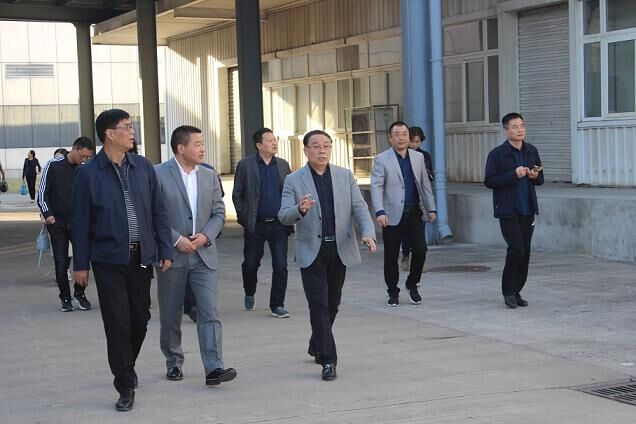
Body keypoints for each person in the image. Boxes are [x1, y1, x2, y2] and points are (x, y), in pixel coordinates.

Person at [71, 109, 173, 412]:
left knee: (140, 319)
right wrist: (80, 264)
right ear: (109, 134)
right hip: (108, 260)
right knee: (117, 322)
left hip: (141, 257)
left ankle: (126, 364)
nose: (132, 131)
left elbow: (159, 211)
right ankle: (125, 384)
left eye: (131, 126)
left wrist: (165, 248)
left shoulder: (143, 167)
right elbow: (80, 222)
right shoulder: (88, 173)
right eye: (126, 127)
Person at [278, 129, 376, 381]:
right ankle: (329, 360)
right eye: (316, 146)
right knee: (318, 305)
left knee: (333, 303)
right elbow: (283, 215)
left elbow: (359, 207)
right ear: (306, 150)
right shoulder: (294, 180)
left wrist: (368, 232)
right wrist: (300, 209)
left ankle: (317, 343)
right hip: (311, 250)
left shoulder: (344, 176)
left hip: (339, 249)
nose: (322, 150)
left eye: (326, 145)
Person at [154, 125, 236, 387]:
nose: (203, 149)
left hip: (204, 255)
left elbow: (219, 212)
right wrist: (176, 239)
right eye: (197, 144)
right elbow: (153, 215)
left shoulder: (209, 175)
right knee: (171, 313)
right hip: (172, 255)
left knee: (209, 312)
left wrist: (206, 236)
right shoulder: (158, 174)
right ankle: (173, 361)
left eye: (203, 144)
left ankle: (214, 367)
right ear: (181, 148)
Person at [370, 121, 437, 307]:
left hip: (414, 212)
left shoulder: (418, 157)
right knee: (391, 256)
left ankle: (412, 284)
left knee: (421, 249)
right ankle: (393, 291)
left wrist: (431, 208)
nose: (401, 138)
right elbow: (376, 186)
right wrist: (380, 211)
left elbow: (425, 184)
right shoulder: (382, 159)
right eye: (397, 134)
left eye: (404, 134)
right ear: (390, 138)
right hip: (391, 214)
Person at [484, 112, 544, 309]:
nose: (520, 130)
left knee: (525, 251)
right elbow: (489, 181)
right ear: (506, 130)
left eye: (522, 126)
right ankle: (508, 291)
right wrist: (513, 174)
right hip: (508, 209)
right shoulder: (497, 154)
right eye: (515, 127)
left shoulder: (531, 151)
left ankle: (517, 290)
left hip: (528, 208)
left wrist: (534, 176)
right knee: (516, 248)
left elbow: (541, 179)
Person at [232, 128, 292, 318]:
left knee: (281, 265)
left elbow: (290, 191)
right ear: (259, 145)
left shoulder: (282, 165)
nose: (274, 143)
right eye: (269, 140)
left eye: (275, 139)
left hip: (279, 224)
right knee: (251, 264)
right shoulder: (245, 165)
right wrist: (243, 217)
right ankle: (249, 291)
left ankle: (277, 304)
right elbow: (237, 194)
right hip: (255, 224)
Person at [37, 137, 95, 312]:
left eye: (87, 157)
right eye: (83, 156)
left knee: (83, 259)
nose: (84, 160)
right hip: (58, 223)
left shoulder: (84, 170)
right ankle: (65, 297)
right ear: (75, 149)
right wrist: (48, 214)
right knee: (61, 262)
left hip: (80, 223)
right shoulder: (53, 165)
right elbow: (42, 193)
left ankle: (79, 293)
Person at [400, 126, 434, 271]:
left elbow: (430, 177)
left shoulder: (424, 156)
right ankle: (405, 255)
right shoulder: (401, 154)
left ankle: (419, 260)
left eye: (417, 142)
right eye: (412, 141)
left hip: (419, 198)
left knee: (419, 231)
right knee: (405, 231)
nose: (414, 145)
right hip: (404, 198)